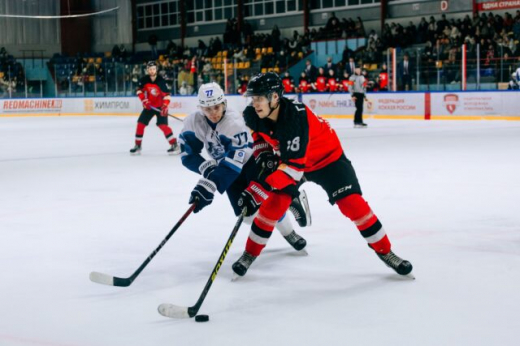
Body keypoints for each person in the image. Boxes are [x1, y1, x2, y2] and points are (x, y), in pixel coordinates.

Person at [231, 72, 413, 278]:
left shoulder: (295, 118)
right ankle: (249, 253)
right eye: (253, 98)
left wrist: (258, 189)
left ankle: (386, 251)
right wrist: (264, 153)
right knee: (272, 206)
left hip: (328, 160)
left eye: (259, 98)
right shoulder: (253, 114)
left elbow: (293, 169)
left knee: (353, 205)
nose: (255, 103)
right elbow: (257, 135)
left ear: (275, 97)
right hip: (294, 162)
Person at [179, 82, 311, 254]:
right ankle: (287, 203)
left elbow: (234, 163)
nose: (212, 113)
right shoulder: (194, 122)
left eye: (216, 107)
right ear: (200, 107)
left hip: (250, 163)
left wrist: (210, 184)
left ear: (224, 104)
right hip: (225, 169)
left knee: (269, 204)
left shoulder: (233, 123)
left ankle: (290, 231)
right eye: (207, 108)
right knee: (247, 216)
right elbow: (187, 154)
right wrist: (207, 169)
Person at [130, 61, 180, 155]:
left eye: (153, 69)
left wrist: (165, 106)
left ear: (156, 69)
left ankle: (174, 144)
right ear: (147, 70)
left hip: (161, 107)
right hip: (149, 106)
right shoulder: (144, 80)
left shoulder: (161, 81)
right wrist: (144, 101)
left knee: (163, 125)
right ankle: (138, 145)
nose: (152, 71)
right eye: (150, 69)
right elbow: (139, 91)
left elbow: (167, 95)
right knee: (140, 124)